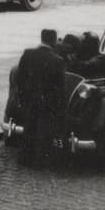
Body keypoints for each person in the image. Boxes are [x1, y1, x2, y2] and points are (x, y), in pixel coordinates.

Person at [11, 27, 70, 164]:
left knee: (29, 128)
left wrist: (21, 96)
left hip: (28, 98)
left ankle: (24, 158)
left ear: (42, 38)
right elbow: (58, 87)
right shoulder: (57, 60)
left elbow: (20, 77)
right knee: (43, 131)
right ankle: (39, 160)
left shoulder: (28, 53)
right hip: (46, 102)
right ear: (54, 41)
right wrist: (60, 107)